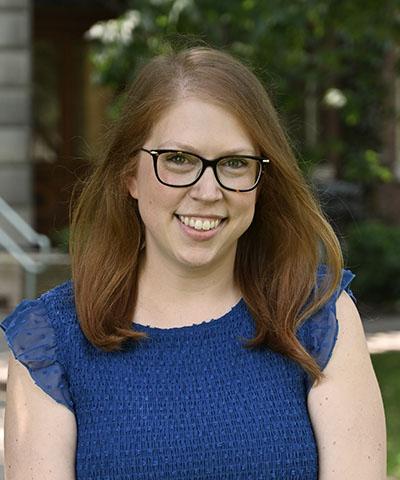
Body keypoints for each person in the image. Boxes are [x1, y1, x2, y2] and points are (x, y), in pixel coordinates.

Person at [1, 46, 386, 479]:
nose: (207, 191)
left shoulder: (316, 315)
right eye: (179, 160)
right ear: (130, 174)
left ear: (261, 181)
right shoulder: (49, 342)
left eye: (235, 164)